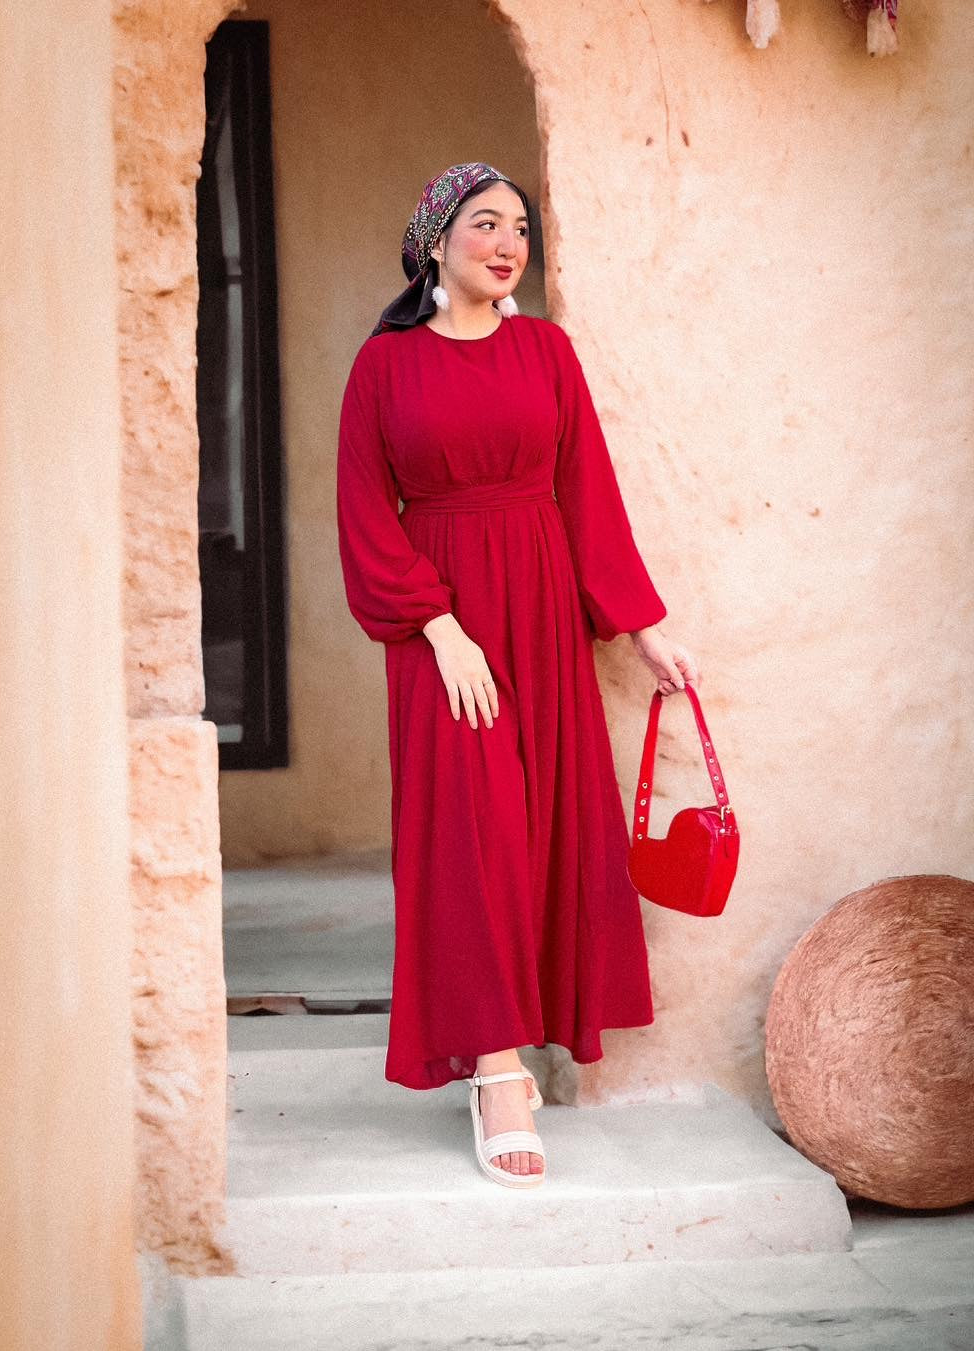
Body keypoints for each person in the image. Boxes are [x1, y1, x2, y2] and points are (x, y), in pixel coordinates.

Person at [336, 162, 699, 1188]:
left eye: (521, 228)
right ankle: (494, 1069)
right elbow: (364, 517)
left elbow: (587, 491)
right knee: (469, 837)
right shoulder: (384, 370)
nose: (508, 243)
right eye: (487, 224)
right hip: (444, 640)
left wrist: (638, 625)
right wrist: (437, 627)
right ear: (436, 239)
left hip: (540, 618)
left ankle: (523, 1040)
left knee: (541, 833)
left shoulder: (546, 352)